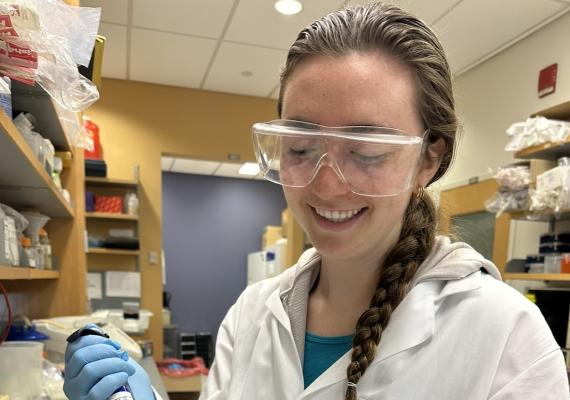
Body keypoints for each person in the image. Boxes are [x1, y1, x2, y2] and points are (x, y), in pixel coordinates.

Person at [63, 3, 569, 400]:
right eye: (300, 148)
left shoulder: (505, 335)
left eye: (368, 152)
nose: (327, 187)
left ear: (427, 161)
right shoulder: (252, 314)